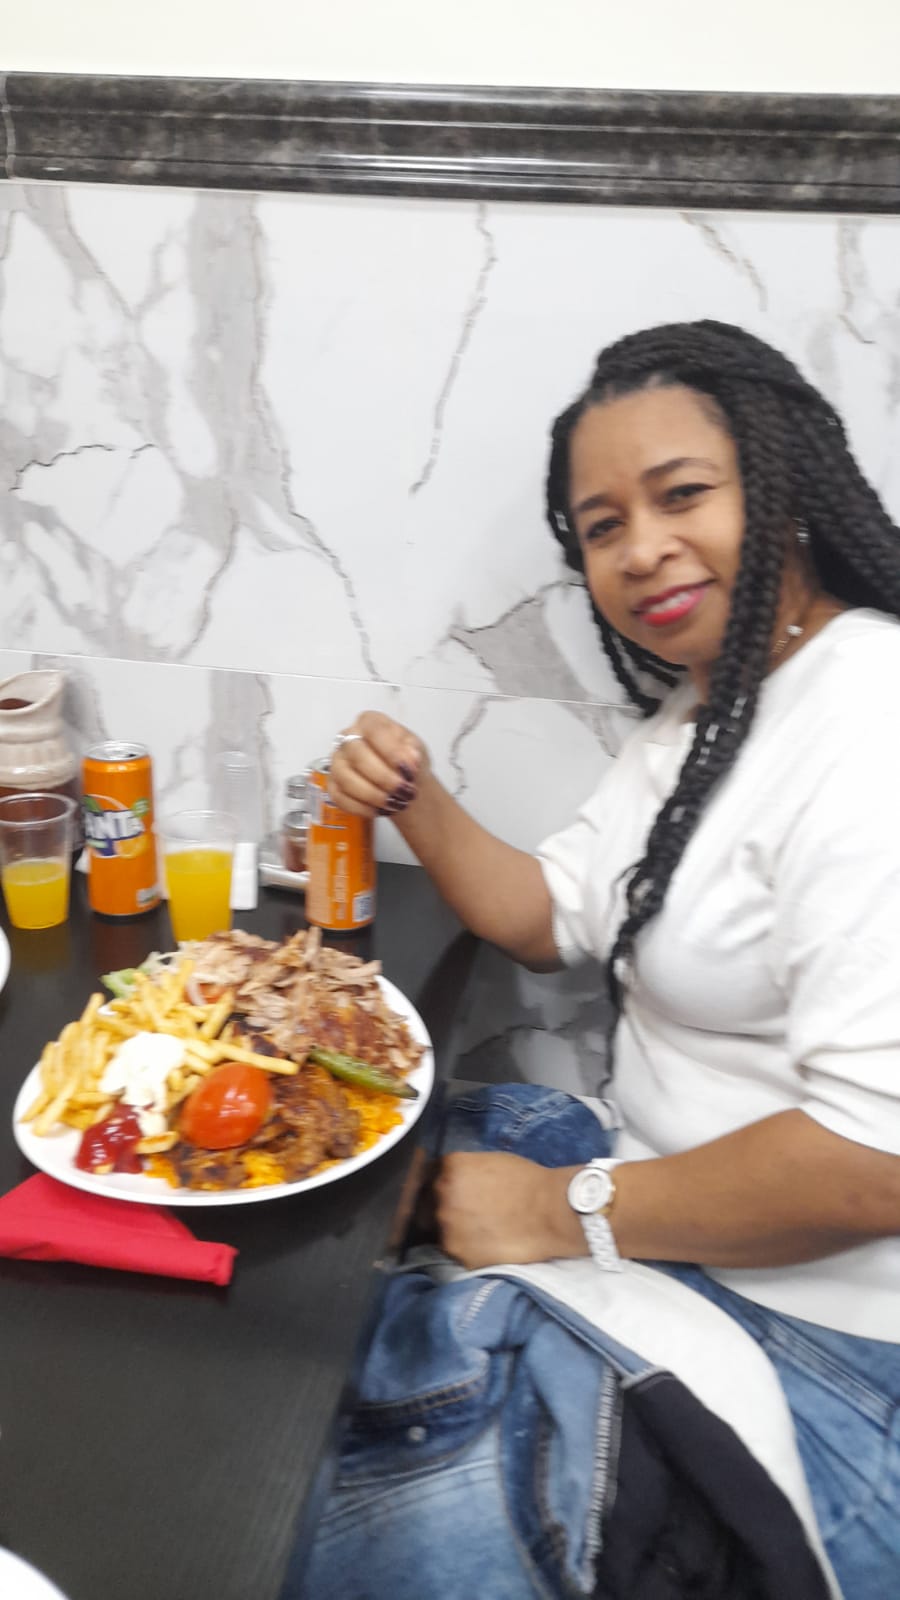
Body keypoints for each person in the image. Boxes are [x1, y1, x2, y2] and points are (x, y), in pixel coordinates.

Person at [303, 321, 900, 1598]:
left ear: (788, 488)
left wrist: (556, 1210)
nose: (640, 550)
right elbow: (552, 913)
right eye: (602, 527)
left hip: (832, 1337)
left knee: (348, 1478)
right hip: (665, 1201)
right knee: (326, 1176)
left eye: (683, 495)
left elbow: (877, 1160)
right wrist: (415, 796)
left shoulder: (874, 720)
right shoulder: (705, 717)